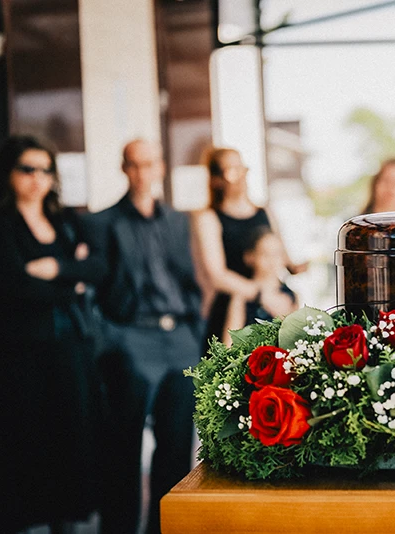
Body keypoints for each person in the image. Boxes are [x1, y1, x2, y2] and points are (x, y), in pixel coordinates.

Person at [85, 139, 203, 534]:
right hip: (131, 337)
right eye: (134, 164)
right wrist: (112, 339)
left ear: (161, 168)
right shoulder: (101, 222)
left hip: (179, 338)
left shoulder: (178, 221)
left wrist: (193, 333)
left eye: (149, 163)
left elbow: (188, 279)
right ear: (124, 169)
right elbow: (94, 290)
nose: (142, 172)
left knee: (176, 447)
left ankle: (163, 528)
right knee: (122, 447)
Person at [0, 135, 105, 533]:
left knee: (71, 438)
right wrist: (72, 282)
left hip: (71, 345)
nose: (37, 178)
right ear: (8, 173)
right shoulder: (0, 223)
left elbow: (98, 267)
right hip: (21, 351)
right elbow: (13, 285)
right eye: (27, 169)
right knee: (27, 441)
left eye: (45, 170)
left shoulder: (64, 220)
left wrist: (57, 269)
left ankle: (65, 522)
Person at [191, 147, 304, 344]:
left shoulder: (264, 212)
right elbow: (217, 275)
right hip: (234, 305)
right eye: (231, 171)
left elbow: (283, 256)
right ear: (217, 180)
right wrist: (262, 296)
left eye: (242, 168)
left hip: (274, 300)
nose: (241, 176)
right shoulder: (209, 218)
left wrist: (296, 267)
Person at [221, 227, 299, 345]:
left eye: (277, 254)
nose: (272, 260)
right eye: (265, 254)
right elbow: (229, 341)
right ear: (250, 257)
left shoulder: (291, 295)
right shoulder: (242, 296)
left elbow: (294, 338)